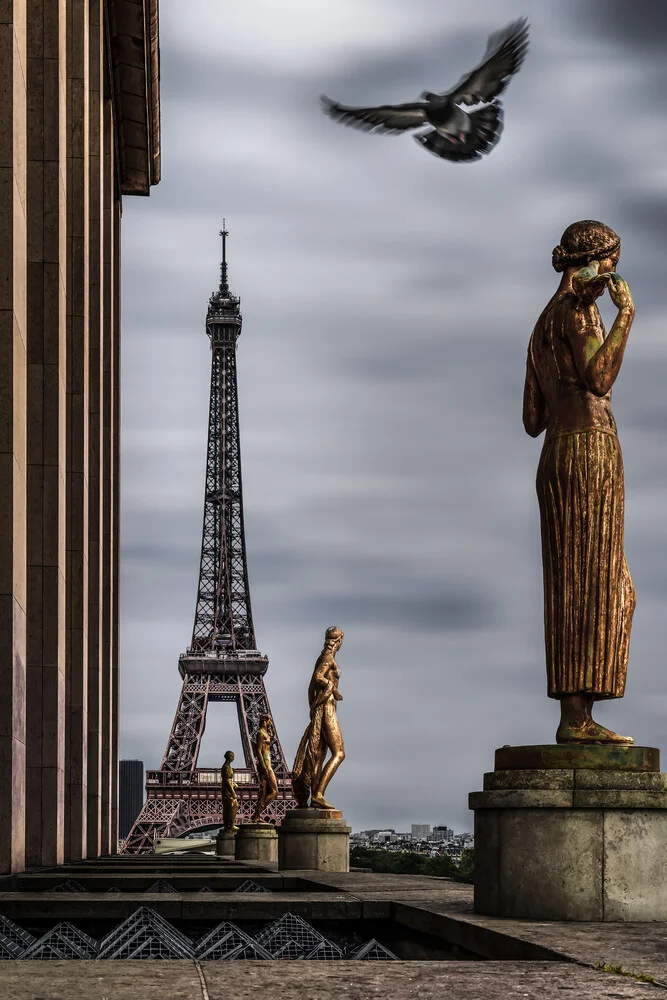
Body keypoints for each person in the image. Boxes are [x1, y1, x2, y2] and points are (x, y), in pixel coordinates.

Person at [523, 220, 636, 745]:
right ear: (587, 260)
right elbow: (600, 378)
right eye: (610, 262)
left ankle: (575, 712)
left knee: (577, 582)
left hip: (557, 456)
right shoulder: (579, 311)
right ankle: (578, 717)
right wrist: (626, 316)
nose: (612, 274)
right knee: (599, 582)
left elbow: (532, 417)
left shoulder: (542, 323)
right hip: (590, 450)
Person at [292, 626, 345, 809]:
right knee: (339, 753)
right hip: (327, 708)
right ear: (339, 640)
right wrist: (334, 690)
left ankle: (316, 796)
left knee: (319, 755)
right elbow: (317, 677)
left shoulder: (323, 657)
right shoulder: (328, 658)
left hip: (322, 709)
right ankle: (319, 794)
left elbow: (311, 686)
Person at [251, 715, 278, 822]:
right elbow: (258, 750)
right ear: (265, 721)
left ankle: (257, 814)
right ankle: (257, 814)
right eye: (269, 721)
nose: (271, 722)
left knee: (270, 791)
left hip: (268, 764)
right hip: (265, 765)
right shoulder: (260, 733)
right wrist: (263, 766)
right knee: (269, 791)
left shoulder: (265, 733)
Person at [221, 750, 239, 833]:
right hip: (228, 791)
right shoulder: (226, 767)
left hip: (227, 789)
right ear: (230, 757)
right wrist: (233, 792)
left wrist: (233, 783)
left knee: (229, 807)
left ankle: (228, 825)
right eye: (233, 756)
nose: (234, 758)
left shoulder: (227, 766)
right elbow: (227, 781)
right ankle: (230, 825)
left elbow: (228, 779)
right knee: (233, 806)